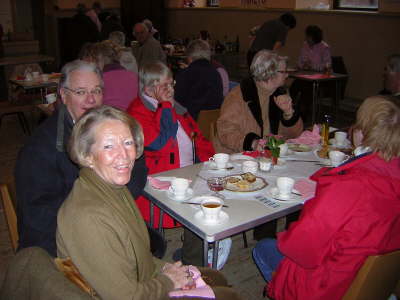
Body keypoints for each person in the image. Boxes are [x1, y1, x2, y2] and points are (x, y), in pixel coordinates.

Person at [57, 105, 241, 300]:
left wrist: (166, 268)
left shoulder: (113, 187)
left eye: (128, 142)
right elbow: (125, 296)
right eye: (109, 146)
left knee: (216, 278)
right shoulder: (89, 217)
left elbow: (138, 257)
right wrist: (169, 281)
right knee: (226, 295)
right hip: (130, 294)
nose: (124, 155)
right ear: (87, 156)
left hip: (142, 280)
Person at [253, 95, 400, 300]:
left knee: (264, 247)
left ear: (360, 132)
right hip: (373, 283)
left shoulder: (350, 187)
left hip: (328, 287)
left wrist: (288, 234)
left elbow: (299, 248)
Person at [15, 60, 147, 257]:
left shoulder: (107, 125)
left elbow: (139, 165)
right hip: (58, 244)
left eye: (96, 91)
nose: (91, 100)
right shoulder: (41, 147)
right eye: (81, 92)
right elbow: (37, 216)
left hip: (105, 224)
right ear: (63, 95)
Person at [127, 61, 215, 266]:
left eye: (171, 84)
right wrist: (165, 105)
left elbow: (197, 137)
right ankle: (195, 259)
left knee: (213, 197)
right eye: (163, 86)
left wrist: (213, 163)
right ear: (148, 88)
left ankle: (195, 255)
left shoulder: (177, 107)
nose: (170, 90)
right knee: (199, 206)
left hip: (189, 172)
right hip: (160, 180)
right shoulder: (137, 111)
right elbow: (158, 143)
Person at [214, 50, 303, 154]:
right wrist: (252, 143)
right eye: (283, 72)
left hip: (268, 157)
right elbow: (226, 132)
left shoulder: (279, 95)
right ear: (270, 73)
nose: (287, 75)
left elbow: (294, 136)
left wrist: (288, 114)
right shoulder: (239, 96)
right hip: (236, 158)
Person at [174, 39, 224, 120]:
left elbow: (177, 102)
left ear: (189, 57)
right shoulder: (216, 74)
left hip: (191, 125)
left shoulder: (185, 74)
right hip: (212, 125)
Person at [291, 25, 332, 122]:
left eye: (309, 37)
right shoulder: (305, 45)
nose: (307, 38)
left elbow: (327, 64)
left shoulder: (324, 47)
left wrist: (312, 66)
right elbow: (300, 60)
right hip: (304, 76)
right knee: (293, 89)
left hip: (317, 78)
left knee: (307, 93)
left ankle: (303, 115)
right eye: (307, 36)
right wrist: (301, 65)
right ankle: (294, 111)